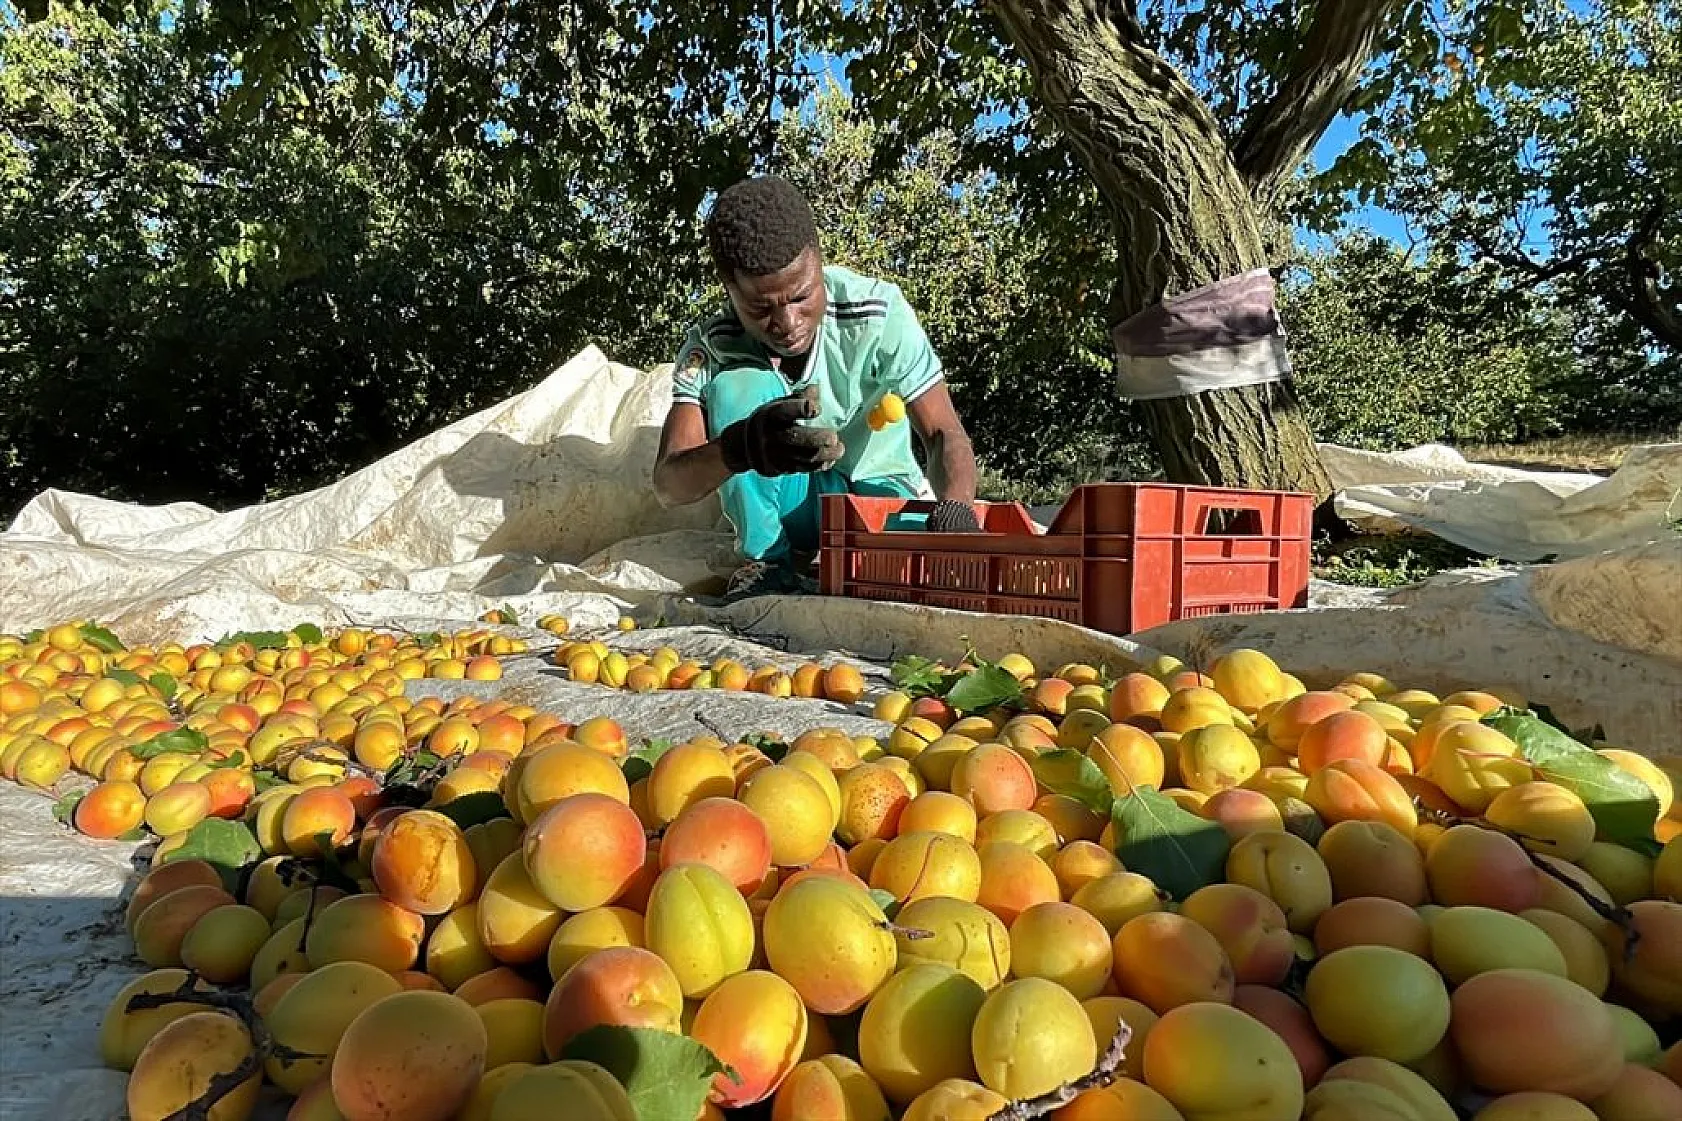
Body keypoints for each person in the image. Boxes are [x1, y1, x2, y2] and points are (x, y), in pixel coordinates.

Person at [653, 175, 981, 601]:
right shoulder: (713, 347)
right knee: (735, 387)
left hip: (876, 501)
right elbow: (668, 484)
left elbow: (944, 432)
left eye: (802, 296)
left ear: (820, 263)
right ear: (730, 292)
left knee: (905, 563)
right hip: (794, 507)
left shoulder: (878, 316)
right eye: (760, 308)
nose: (788, 325)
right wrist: (742, 447)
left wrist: (956, 509)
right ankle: (768, 562)